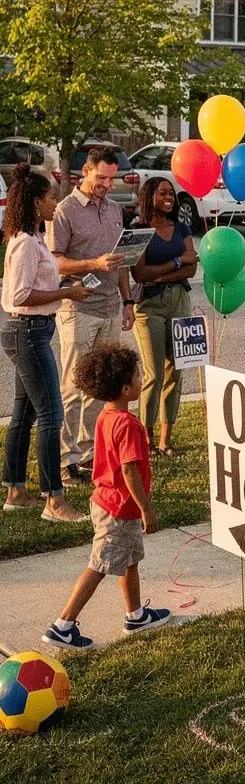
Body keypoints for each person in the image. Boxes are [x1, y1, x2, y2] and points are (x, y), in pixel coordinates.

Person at [41, 345, 171, 650]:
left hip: (105, 501)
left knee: (129, 560)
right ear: (126, 388)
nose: (142, 379)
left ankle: (136, 615)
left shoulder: (106, 416)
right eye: (138, 376)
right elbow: (129, 471)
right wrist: (146, 510)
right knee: (99, 565)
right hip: (119, 509)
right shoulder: (128, 425)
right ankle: (63, 624)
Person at [1, 165, 90, 522]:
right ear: (36, 203)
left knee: (23, 414)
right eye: (50, 196)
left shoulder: (34, 239)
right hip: (26, 330)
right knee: (51, 414)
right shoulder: (24, 243)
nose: (55, 201)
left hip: (31, 330)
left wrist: (66, 279)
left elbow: (37, 281)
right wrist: (67, 292)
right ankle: (54, 500)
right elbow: (20, 294)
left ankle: (16, 490)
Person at [48, 145, 135, 484]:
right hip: (78, 308)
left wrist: (127, 302)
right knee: (73, 386)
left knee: (102, 386)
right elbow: (54, 262)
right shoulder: (64, 210)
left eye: (111, 179)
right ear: (86, 171)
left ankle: (89, 453)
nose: (106, 185)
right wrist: (92, 264)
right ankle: (65, 461)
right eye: (101, 178)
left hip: (111, 307)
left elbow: (122, 260)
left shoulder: (114, 209)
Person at [131, 177, 197, 456]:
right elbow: (139, 274)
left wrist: (162, 273)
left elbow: (192, 268)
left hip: (179, 300)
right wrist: (177, 262)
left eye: (171, 193)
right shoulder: (138, 229)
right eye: (163, 193)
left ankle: (165, 440)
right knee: (154, 374)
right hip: (149, 306)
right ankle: (147, 440)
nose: (169, 197)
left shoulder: (181, 227)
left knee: (176, 371)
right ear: (150, 197)